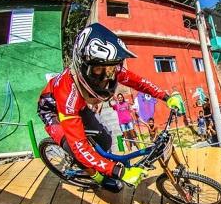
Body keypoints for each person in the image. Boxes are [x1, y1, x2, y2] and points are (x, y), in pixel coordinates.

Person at [37, 23, 183, 193]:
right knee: (74, 149)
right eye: (99, 69)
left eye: (111, 68)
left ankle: (100, 163)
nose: (108, 75)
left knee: (105, 139)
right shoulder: (68, 93)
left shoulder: (108, 67)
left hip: (79, 105)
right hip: (53, 110)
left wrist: (166, 96)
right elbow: (79, 148)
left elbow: (138, 82)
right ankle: (95, 176)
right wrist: (117, 171)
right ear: (83, 65)